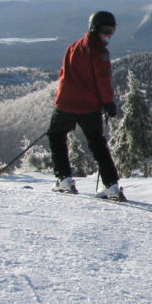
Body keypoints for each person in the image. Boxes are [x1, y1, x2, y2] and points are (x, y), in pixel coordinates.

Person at [47, 11, 123, 200]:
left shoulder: (74, 47)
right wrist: (108, 102)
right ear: (94, 29)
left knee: (56, 136)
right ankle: (111, 186)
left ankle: (64, 180)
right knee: (97, 145)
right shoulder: (101, 53)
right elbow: (103, 81)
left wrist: (62, 99)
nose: (108, 36)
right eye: (105, 31)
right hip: (89, 107)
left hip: (65, 104)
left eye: (111, 31)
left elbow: (64, 75)